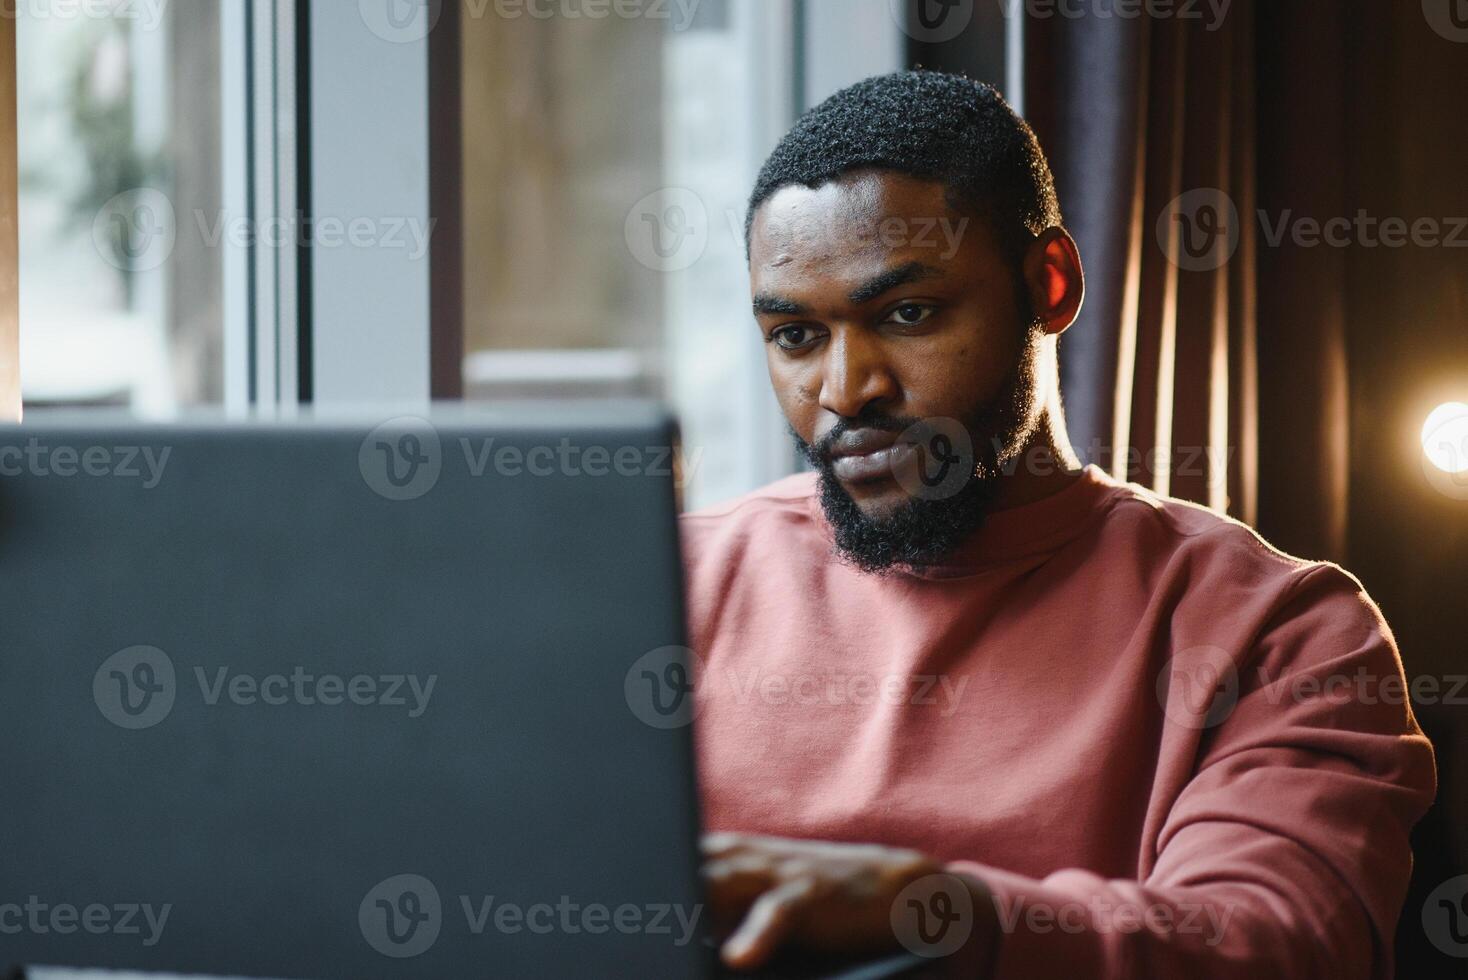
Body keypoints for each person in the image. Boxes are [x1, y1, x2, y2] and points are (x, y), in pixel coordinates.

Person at [684, 70, 1437, 978]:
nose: (845, 391)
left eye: (908, 314)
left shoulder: (1280, 632)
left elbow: (1280, 943)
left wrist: (936, 916)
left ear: (1050, 283)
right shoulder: (669, 585)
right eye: (796, 336)